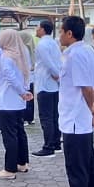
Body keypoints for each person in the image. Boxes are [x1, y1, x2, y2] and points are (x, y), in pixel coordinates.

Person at [49, 16, 94, 187]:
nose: (60, 35)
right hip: (81, 120)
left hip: (75, 120)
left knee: (77, 168)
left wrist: (92, 109)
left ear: (70, 33)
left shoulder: (76, 55)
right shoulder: (89, 51)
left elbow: (87, 88)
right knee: (88, 164)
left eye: (61, 31)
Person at [0, 29, 33, 179]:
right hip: (18, 101)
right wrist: (25, 91)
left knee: (10, 135)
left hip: (8, 100)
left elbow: (10, 77)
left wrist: (22, 92)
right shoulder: (22, 54)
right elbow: (26, 74)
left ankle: (9, 169)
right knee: (19, 132)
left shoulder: (6, 56)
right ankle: (22, 163)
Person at [32, 20, 63, 157]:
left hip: (45, 84)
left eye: (37, 27)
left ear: (43, 29)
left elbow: (48, 63)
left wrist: (56, 74)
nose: (36, 29)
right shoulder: (54, 43)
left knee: (46, 117)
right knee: (54, 115)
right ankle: (56, 143)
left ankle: (48, 146)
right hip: (53, 85)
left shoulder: (42, 44)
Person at [21, 30, 38, 125]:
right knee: (30, 99)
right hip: (31, 77)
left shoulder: (23, 49)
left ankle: (25, 118)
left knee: (26, 98)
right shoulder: (31, 48)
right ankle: (30, 118)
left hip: (25, 77)